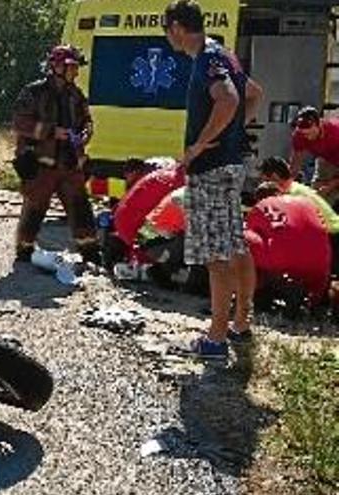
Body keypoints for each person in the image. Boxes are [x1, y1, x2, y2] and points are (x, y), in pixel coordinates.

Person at [164, 0, 264, 359]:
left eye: (167, 30)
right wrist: (237, 130)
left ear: (176, 27)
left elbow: (229, 99)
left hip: (211, 169)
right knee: (236, 244)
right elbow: (254, 94)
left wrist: (198, 146)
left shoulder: (207, 60)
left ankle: (216, 340)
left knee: (215, 254)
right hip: (232, 163)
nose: (168, 38)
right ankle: (241, 323)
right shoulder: (225, 55)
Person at [12, 44, 97, 263]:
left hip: (69, 164)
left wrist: (86, 133)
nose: (75, 72)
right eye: (71, 67)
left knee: (80, 207)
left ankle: (90, 252)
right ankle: (24, 251)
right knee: (35, 208)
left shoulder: (76, 95)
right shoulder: (34, 92)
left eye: (76, 67)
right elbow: (19, 123)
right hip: (41, 164)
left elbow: (86, 121)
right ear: (56, 66)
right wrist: (51, 132)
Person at [288, 106, 339, 209]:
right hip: (326, 159)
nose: (307, 137)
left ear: (319, 125)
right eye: (304, 134)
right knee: (316, 199)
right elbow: (295, 165)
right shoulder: (299, 136)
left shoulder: (335, 133)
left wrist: (329, 186)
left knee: (330, 193)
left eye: (310, 133)